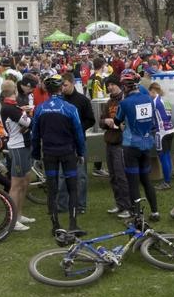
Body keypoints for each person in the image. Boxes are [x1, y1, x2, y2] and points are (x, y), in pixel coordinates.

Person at [32, 74, 86, 235]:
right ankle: (73, 224)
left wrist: (35, 155)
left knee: (52, 187)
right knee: (72, 188)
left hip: (49, 154)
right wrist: (81, 152)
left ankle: (55, 225)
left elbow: (35, 134)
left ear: (47, 90)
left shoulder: (40, 108)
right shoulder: (70, 108)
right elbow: (78, 133)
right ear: (61, 88)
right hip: (67, 152)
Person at [106, 70, 160, 221]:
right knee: (146, 179)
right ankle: (155, 211)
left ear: (125, 86)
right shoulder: (148, 99)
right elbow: (153, 121)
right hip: (147, 143)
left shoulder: (124, 102)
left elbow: (117, 121)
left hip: (131, 145)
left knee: (133, 181)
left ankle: (136, 214)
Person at [57, 72, 95, 214]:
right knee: (62, 174)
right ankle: (62, 204)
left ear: (72, 83)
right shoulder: (59, 100)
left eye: (65, 85)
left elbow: (91, 119)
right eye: (61, 85)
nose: (63, 88)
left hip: (79, 142)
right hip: (63, 143)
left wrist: (78, 128)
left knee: (81, 175)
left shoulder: (82, 100)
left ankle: (80, 205)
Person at [0, 80, 34, 231]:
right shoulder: (10, 108)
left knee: (25, 181)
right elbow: (30, 123)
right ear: (14, 92)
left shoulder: (12, 107)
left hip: (23, 145)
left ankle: (19, 215)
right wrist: (27, 114)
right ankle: (12, 220)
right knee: (16, 184)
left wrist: (24, 111)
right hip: (18, 147)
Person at [100, 75, 131, 218]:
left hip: (121, 143)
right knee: (113, 176)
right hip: (110, 142)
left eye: (112, 84)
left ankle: (127, 207)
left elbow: (128, 121)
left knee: (121, 176)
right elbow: (100, 122)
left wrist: (118, 124)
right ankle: (119, 204)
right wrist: (105, 121)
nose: (109, 87)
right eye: (108, 85)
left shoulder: (125, 101)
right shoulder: (109, 103)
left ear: (118, 85)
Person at [149, 82, 174, 191]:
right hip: (170, 130)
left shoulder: (154, 102)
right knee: (167, 155)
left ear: (153, 91)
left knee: (163, 157)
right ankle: (168, 178)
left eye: (149, 92)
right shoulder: (166, 100)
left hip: (161, 132)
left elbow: (152, 117)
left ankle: (166, 181)